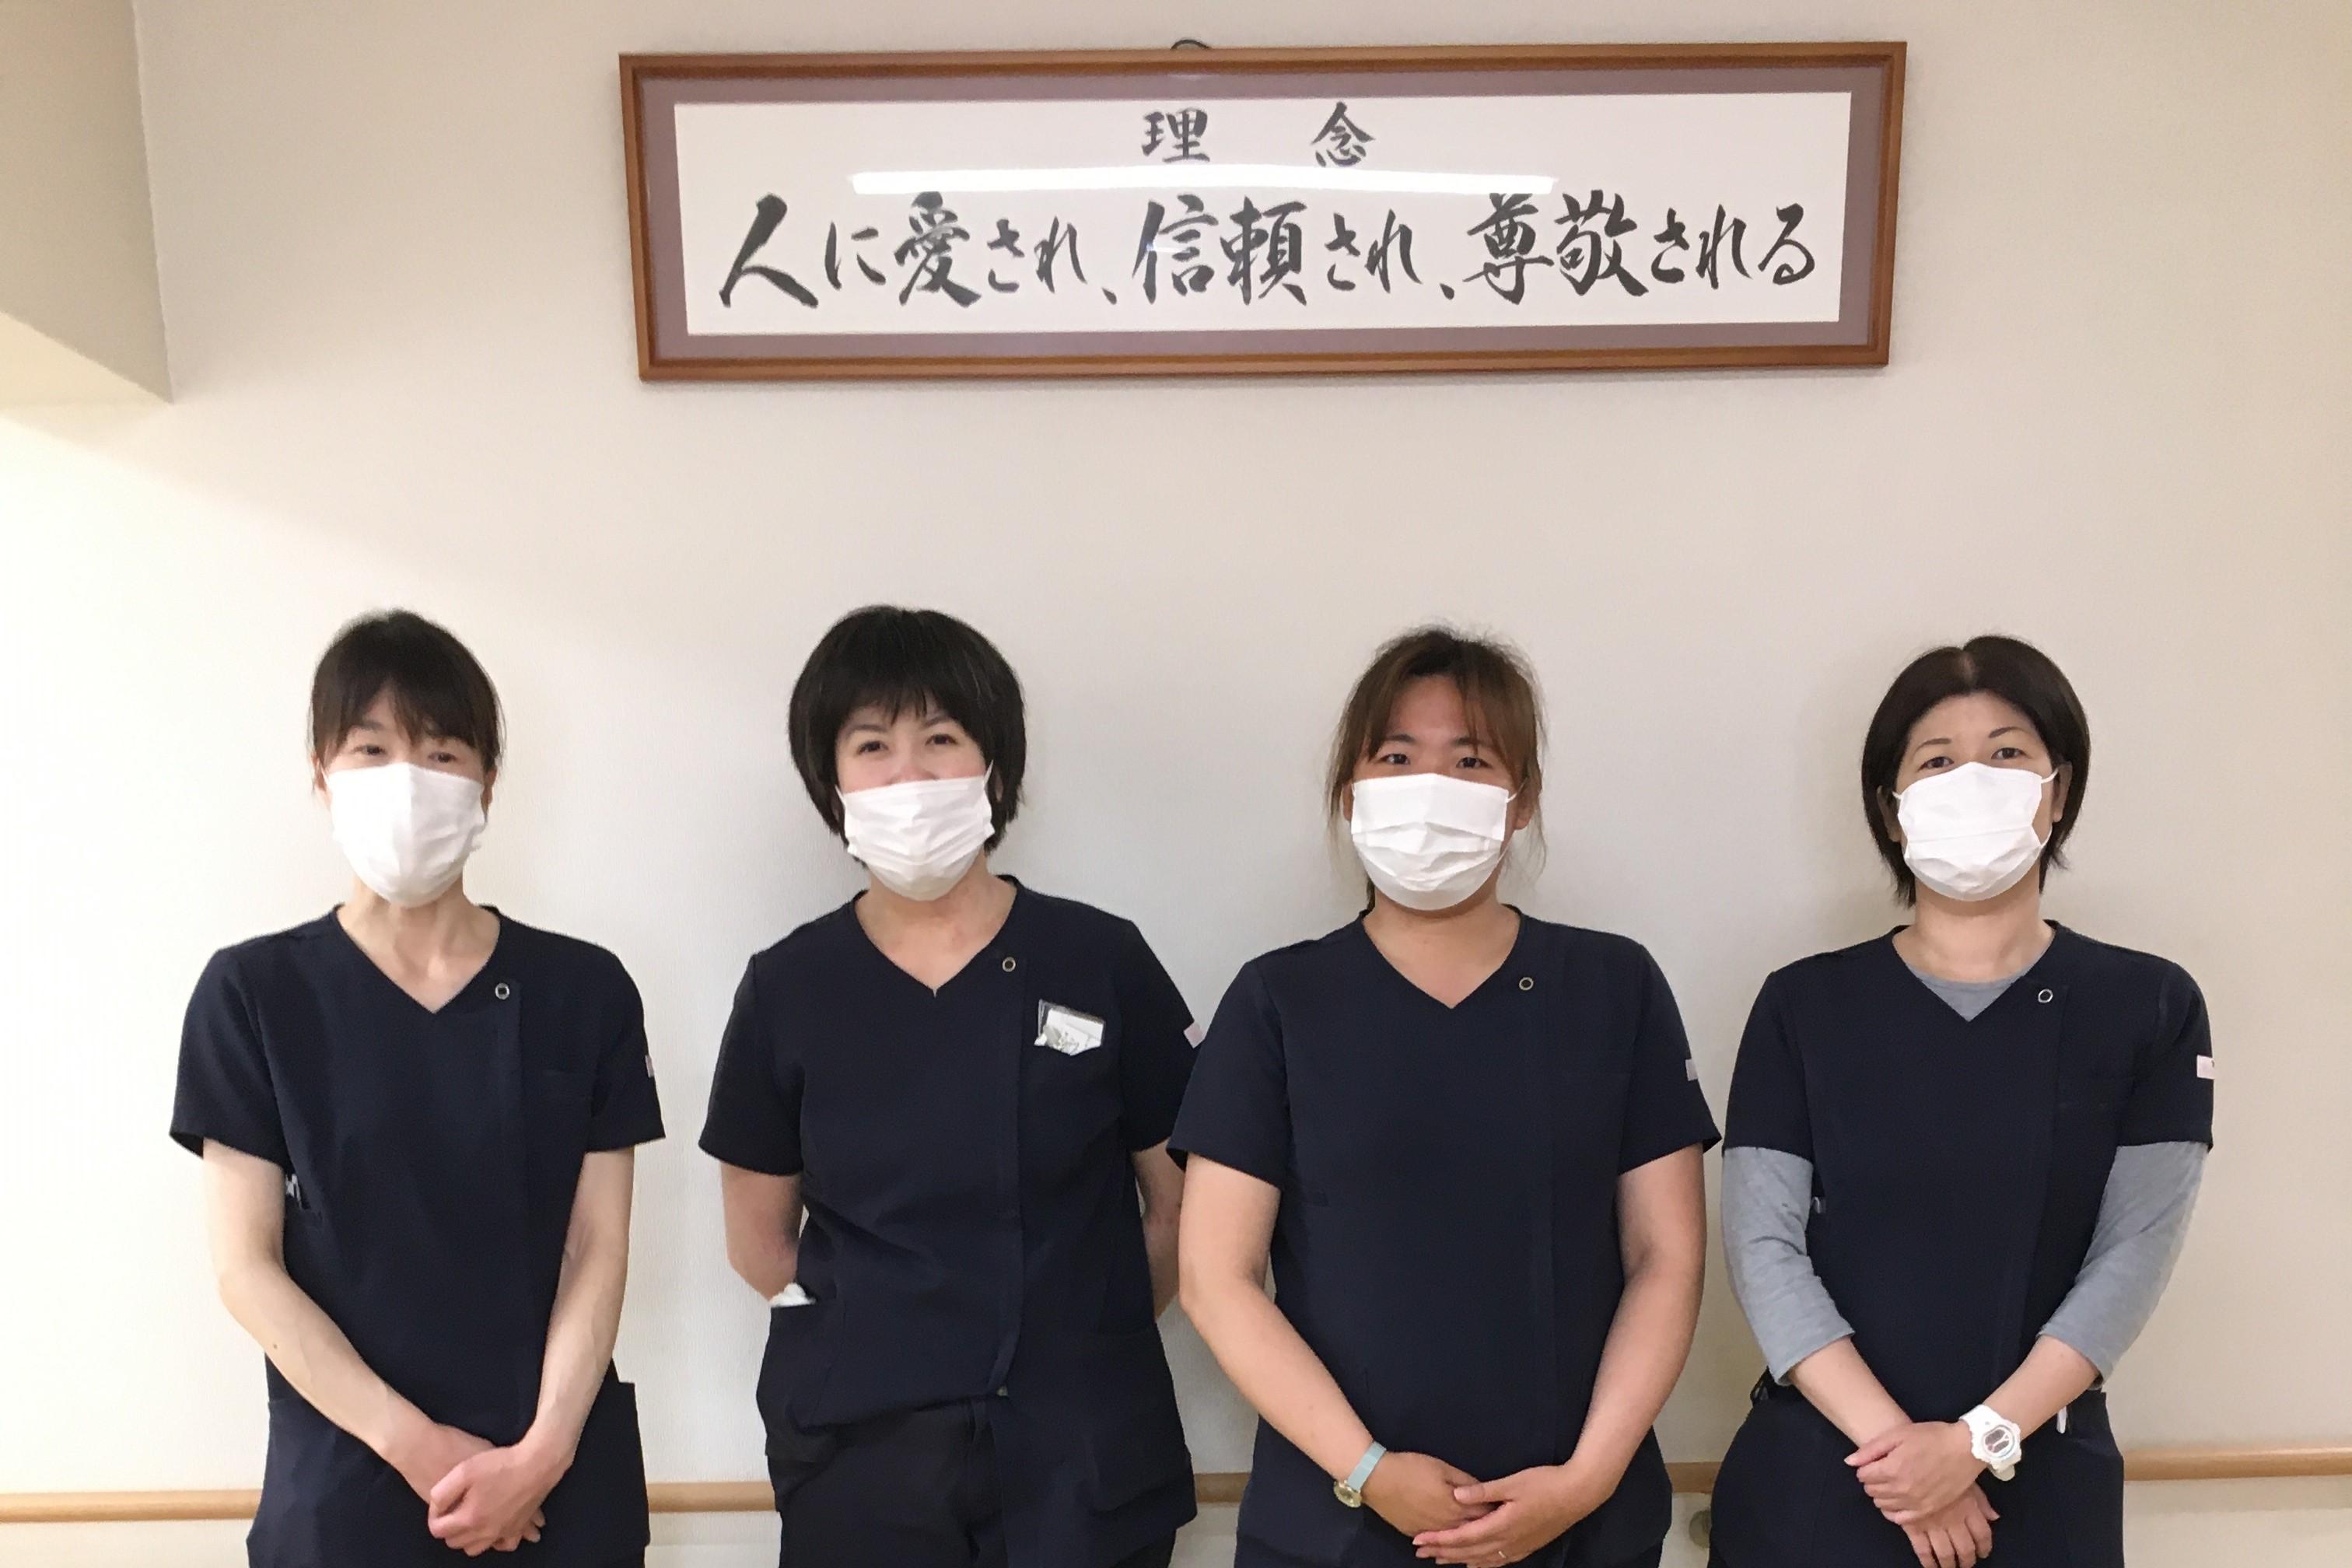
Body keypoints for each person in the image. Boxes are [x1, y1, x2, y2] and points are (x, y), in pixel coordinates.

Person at [1173, 626, 1718, 1568]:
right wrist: (1369, 1470)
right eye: (1396, 758)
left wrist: (1586, 1480)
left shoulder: (1613, 987)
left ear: (1521, 800)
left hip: (1579, 1516)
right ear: (1351, 793)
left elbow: (1665, 1257)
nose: (1430, 789)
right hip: (1337, 1521)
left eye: (1470, 761)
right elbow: (1215, 1277)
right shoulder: (1279, 1001)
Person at [700, 605, 1197, 1568]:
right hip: (863, 1459)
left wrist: (1086, 1339)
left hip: (1083, 1453)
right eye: (872, 745)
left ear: (993, 765)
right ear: (831, 781)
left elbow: (1182, 1207)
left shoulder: (1100, 959)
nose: (910, 776)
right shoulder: (789, 987)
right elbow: (759, 1242)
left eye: (940, 739)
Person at [171, 610, 664, 1567]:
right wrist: (420, 1448)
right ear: (321, 773)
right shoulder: (254, 994)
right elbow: (246, 1269)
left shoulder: (585, 990)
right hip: (350, 1482)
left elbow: (597, 1247)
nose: (408, 780)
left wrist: (541, 1456)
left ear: (487, 784)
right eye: (372, 749)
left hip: (556, 1482)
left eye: (442, 753)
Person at [1708, 635, 2214, 1568]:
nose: (1972, 779)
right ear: (1892, 809)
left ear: (2057, 791)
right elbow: (1763, 1249)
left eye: (2007, 753)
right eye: (1937, 761)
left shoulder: (2149, 1006)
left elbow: (2131, 1256)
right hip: (1829, 1468)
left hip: (2040, 1472)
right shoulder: (1803, 1005)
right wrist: (1904, 1460)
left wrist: (1979, 1441)